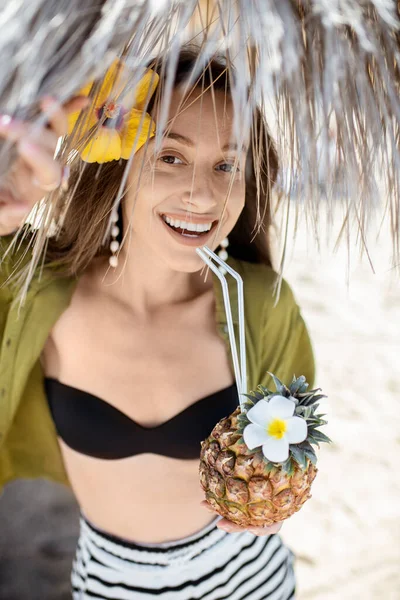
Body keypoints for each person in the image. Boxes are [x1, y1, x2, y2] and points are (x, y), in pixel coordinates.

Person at [0, 47, 315, 600]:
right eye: (171, 156)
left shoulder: (260, 303)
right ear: (119, 168)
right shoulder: (36, 294)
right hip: (106, 580)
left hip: (249, 578)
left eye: (227, 164)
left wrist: (277, 496)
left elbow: (297, 433)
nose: (204, 193)